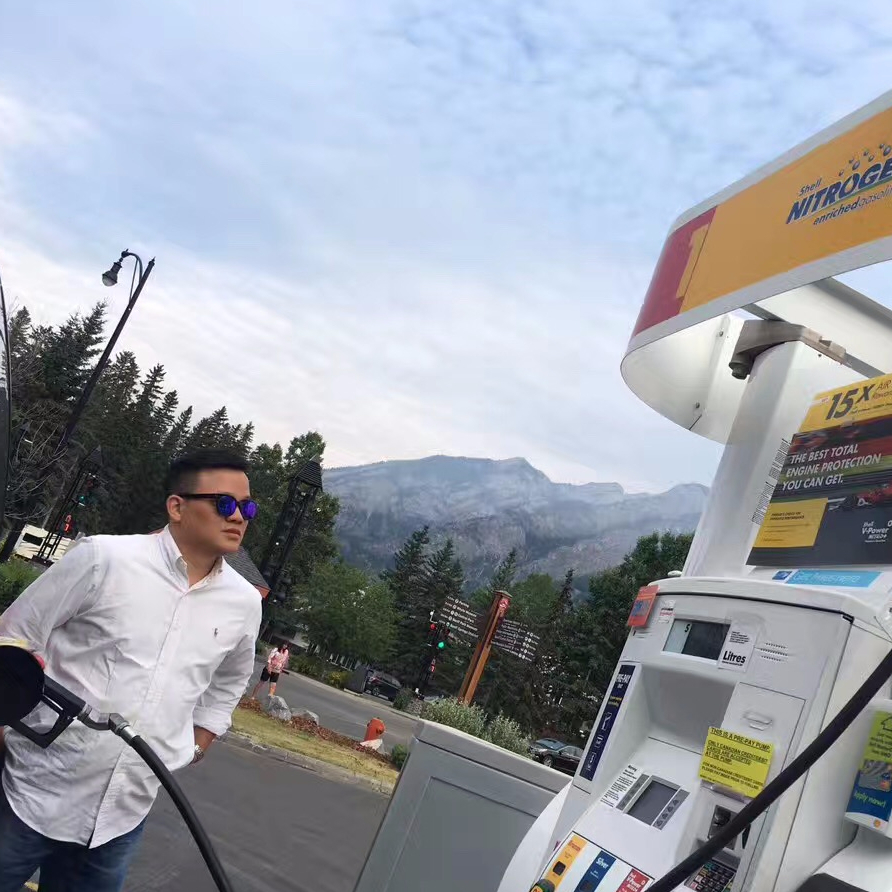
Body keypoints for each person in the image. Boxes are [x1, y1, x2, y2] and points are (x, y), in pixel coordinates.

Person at [0, 448, 262, 892]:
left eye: (247, 507)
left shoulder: (244, 602)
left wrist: (198, 743)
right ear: (177, 506)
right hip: (30, 791)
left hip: (121, 818)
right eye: (224, 503)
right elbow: (14, 637)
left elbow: (229, 683)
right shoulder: (103, 559)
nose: (238, 516)